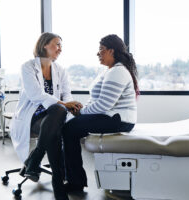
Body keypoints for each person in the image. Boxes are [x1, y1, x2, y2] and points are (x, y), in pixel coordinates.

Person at [62, 34, 139, 191]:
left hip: (118, 120)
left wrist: (81, 113)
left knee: (69, 129)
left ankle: (75, 182)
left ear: (111, 51)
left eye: (101, 50)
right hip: (111, 117)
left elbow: (104, 105)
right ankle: (71, 178)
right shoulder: (109, 71)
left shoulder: (117, 72)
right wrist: (81, 110)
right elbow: (97, 101)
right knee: (70, 126)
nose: (98, 54)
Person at [10, 32, 81, 200]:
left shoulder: (60, 70)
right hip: (32, 115)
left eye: (61, 46)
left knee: (56, 117)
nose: (60, 49)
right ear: (44, 45)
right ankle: (58, 183)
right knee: (56, 121)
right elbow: (35, 94)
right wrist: (64, 104)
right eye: (57, 44)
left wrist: (72, 104)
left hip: (52, 116)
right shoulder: (27, 67)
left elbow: (67, 94)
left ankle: (35, 159)